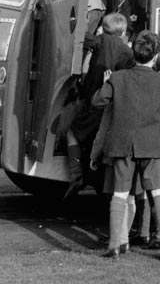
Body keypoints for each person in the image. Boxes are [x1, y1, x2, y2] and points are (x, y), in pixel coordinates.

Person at [91, 30, 160, 259]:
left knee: (120, 194)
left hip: (121, 143)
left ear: (134, 52)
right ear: (155, 56)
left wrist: (107, 83)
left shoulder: (118, 77)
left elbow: (97, 101)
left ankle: (114, 246)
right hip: (152, 144)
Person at [64, 13, 135, 200]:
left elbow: (81, 37)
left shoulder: (100, 40)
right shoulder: (127, 52)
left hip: (94, 101)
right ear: (124, 31)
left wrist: (77, 20)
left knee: (73, 133)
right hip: (112, 103)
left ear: (103, 28)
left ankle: (76, 174)